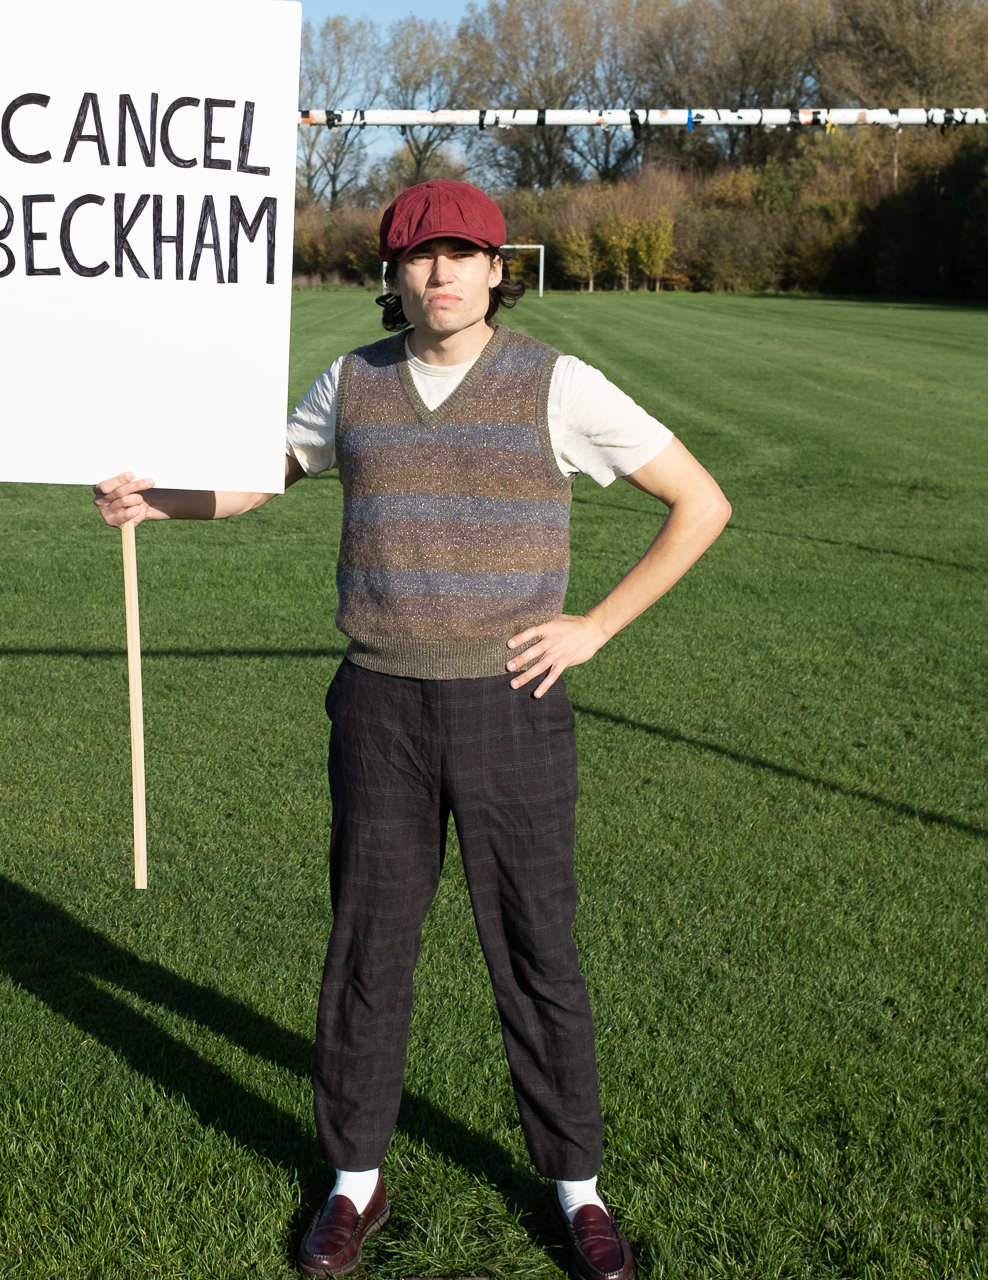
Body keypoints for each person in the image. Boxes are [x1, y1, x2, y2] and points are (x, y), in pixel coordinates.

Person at [92, 179, 729, 1280]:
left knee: (534, 946)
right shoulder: (352, 382)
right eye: (415, 258)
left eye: (458, 254)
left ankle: (576, 1184)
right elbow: (258, 482)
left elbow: (700, 502)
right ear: (389, 277)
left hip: (510, 702)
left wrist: (592, 629)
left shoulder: (555, 384)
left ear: (495, 268)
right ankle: (353, 1178)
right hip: (378, 700)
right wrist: (161, 500)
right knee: (367, 945)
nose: (437, 274)